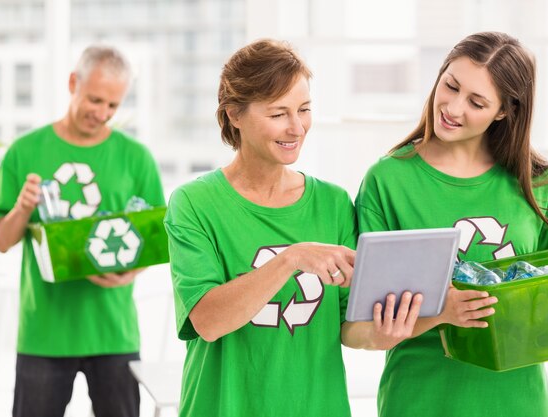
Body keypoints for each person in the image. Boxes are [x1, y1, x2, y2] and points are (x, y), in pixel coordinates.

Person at [164, 39, 422, 417]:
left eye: (304, 109)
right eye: (278, 113)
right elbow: (207, 321)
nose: (296, 127)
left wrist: (380, 336)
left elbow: (349, 325)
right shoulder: (194, 204)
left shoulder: (333, 204)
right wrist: (291, 259)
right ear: (234, 114)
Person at [353, 32, 548, 417]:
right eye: (450, 86)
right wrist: (441, 312)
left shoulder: (541, 184)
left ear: (504, 111)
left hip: (518, 403)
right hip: (420, 400)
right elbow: (361, 325)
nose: (453, 108)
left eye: (476, 102)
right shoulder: (387, 181)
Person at [0, 45, 165, 417]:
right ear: (73, 83)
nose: (102, 114)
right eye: (95, 100)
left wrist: (130, 273)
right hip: (44, 333)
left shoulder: (137, 158)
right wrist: (22, 207)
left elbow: (151, 238)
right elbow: (0, 242)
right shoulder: (24, 151)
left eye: (113, 106)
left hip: (113, 332)